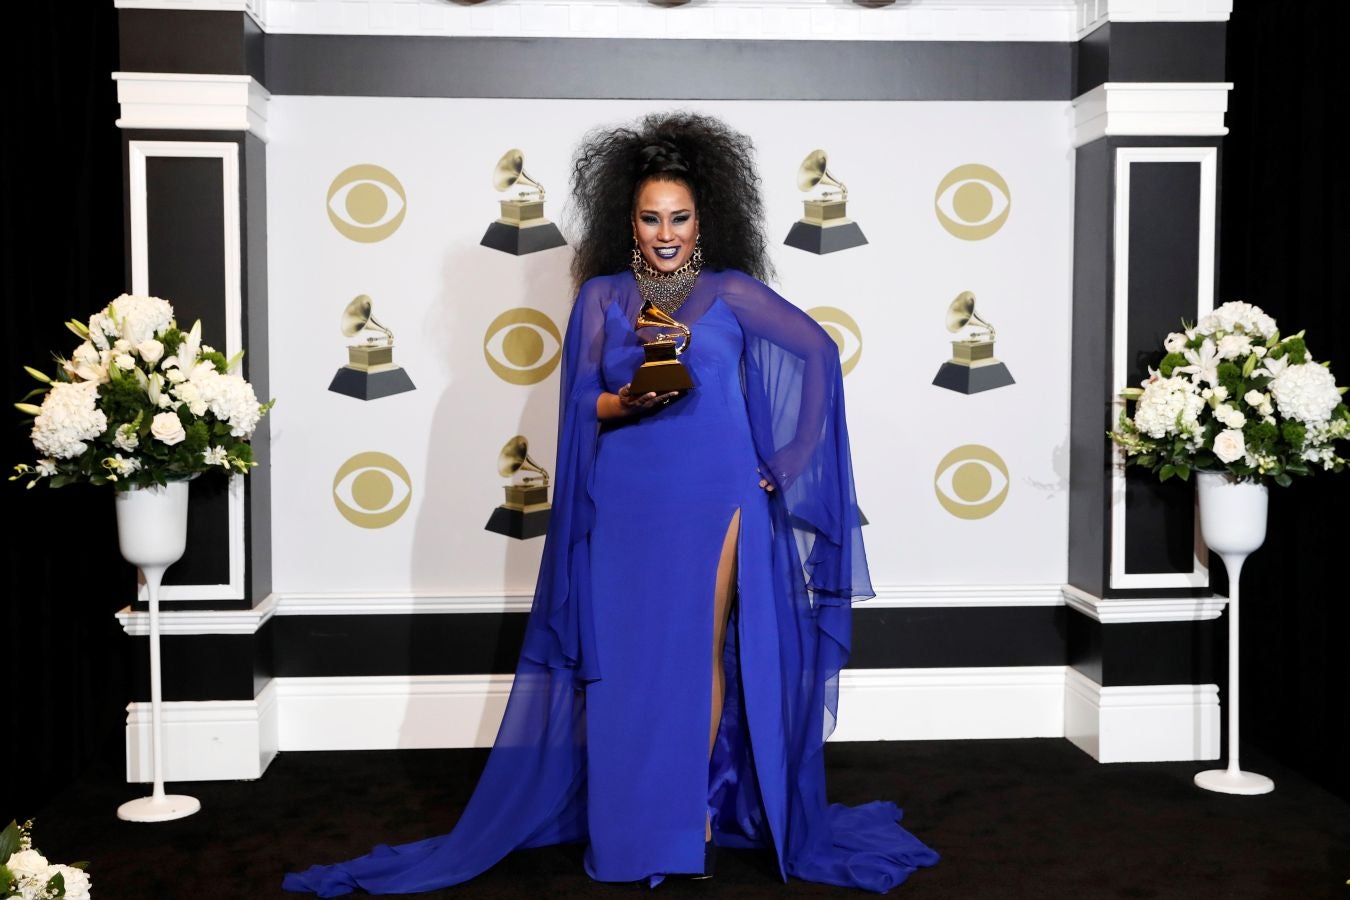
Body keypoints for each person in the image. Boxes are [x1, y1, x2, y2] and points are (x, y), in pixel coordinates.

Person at [283, 111, 938, 897]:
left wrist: (787, 461)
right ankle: (632, 821)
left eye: (681, 218)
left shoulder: (733, 292)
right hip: (625, 499)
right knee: (625, 665)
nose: (666, 233)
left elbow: (820, 355)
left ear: (706, 221)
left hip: (720, 495)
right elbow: (580, 406)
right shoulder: (599, 298)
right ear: (627, 220)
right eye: (651, 217)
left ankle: (684, 813)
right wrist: (629, 402)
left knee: (698, 651)